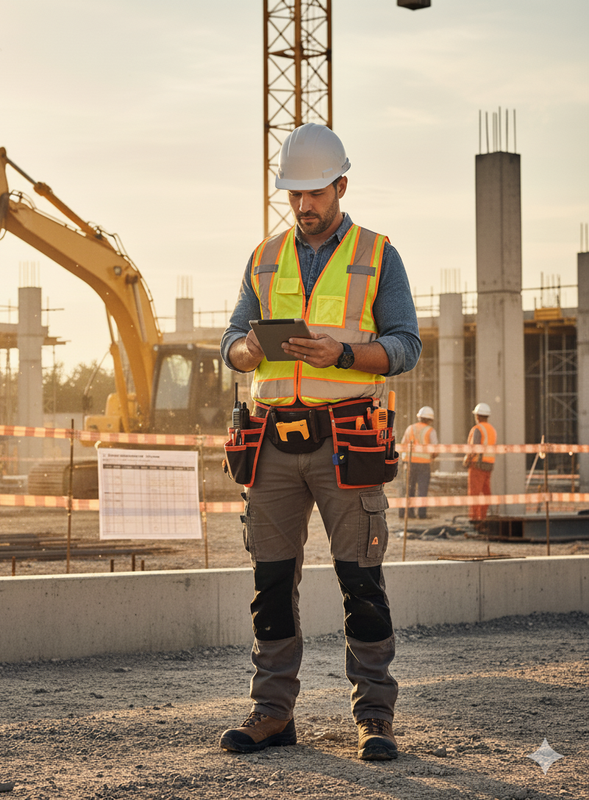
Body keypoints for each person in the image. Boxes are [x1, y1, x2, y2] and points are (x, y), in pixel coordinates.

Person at [219, 123, 421, 761]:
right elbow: (229, 341)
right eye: (294, 195)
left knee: (361, 580)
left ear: (341, 185)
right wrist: (248, 349)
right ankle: (272, 712)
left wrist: (346, 353)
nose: (304, 206)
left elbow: (405, 345)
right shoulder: (264, 256)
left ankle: (375, 718)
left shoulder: (378, 254)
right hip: (272, 441)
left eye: (315, 193)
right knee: (271, 582)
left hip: (347, 439)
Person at [399, 406, 438, 520]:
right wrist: (432, 456)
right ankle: (422, 514)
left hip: (409, 462)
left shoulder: (410, 428)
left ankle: (406, 513)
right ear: (430, 419)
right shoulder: (430, 431)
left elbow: (402, 444)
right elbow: (435, 449)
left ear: (419, 417)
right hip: (423, 464)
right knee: (422, 490)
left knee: (408, 489)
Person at [463, 402, 496, 526]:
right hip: (489, 464)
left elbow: (474, 448)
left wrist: (467, 459)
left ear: (477, 416)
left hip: (478, 465)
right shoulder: (491, 429)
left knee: (474, 492)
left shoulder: (477, 429)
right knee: (486, 492)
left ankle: (475, 518)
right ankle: (482, 516)